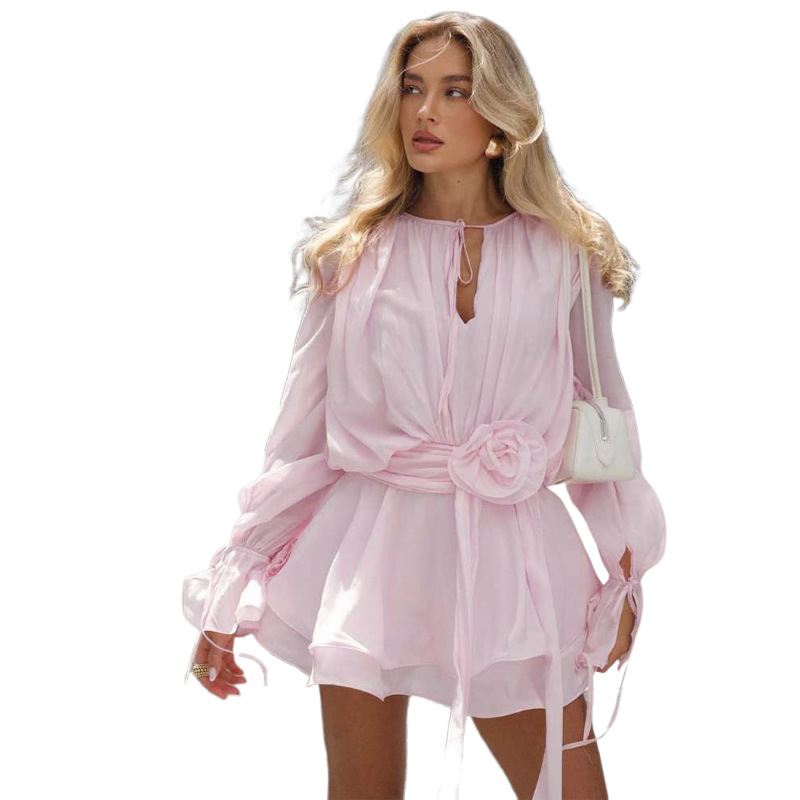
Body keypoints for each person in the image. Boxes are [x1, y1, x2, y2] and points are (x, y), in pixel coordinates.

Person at [182, 12, 666, 800]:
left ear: (501, 117)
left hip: (514, 560)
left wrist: (624, 574)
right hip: (372, 552)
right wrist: (231, 587)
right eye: (412, 89)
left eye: (455, 92)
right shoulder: (353, 255)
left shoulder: (564, 253)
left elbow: (605, 431)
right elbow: (300, 439)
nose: (425, 112)